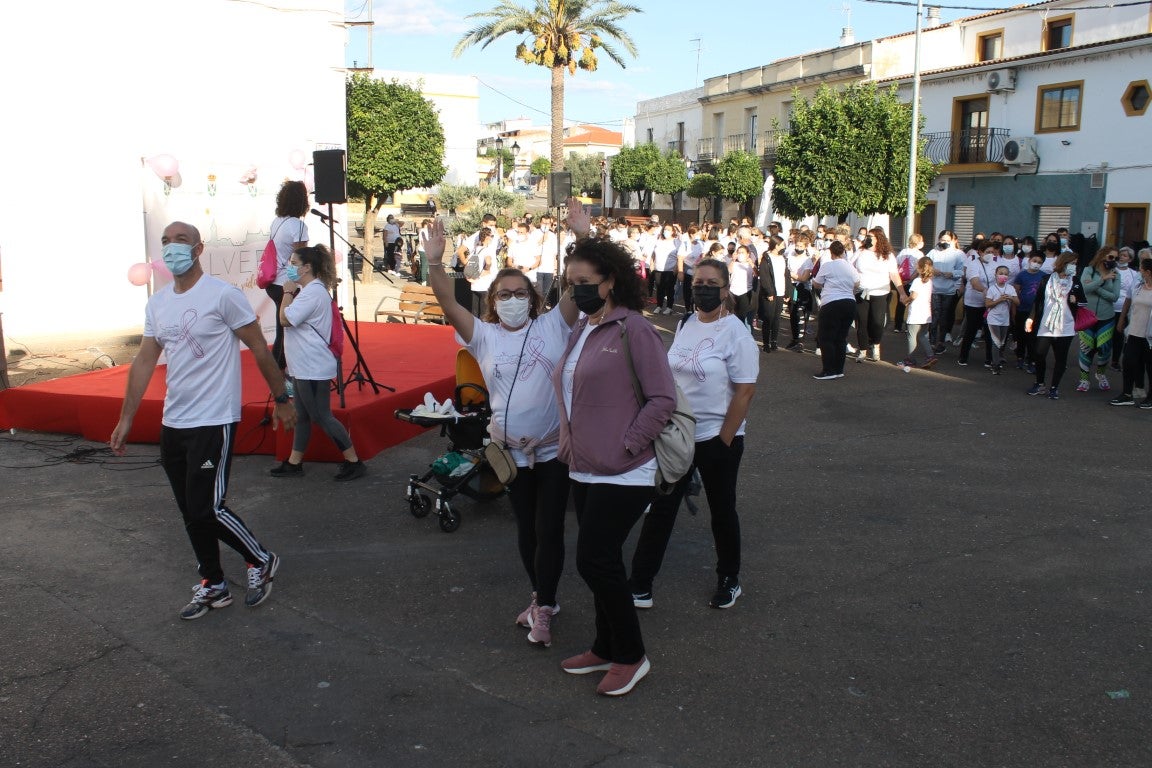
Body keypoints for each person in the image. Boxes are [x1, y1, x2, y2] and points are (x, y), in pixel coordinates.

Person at [110, 222, 294, 620]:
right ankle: (214, 583)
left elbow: (259, 347)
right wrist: (126, 418)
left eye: (181, 240)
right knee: (190, 510)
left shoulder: (222, 295)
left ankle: (260, 559)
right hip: (174, 421)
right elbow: (144, 360)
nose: (172, 247)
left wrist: (282, 398)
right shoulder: (158, 303)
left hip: (214, 418)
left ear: (198, 249)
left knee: (206, 508)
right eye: (166, 241)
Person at [426, 208, 580, 648]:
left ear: (533, 298)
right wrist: (435, 261)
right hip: (508, 452)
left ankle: (544, 606)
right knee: (526, 528)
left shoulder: (554, 325)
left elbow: (577, 286)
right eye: (504, 293)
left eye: (520, 292)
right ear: (493, 301)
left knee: (550, 528)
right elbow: (448, 302)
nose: (513, 299)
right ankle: (542, 595)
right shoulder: (483, 336)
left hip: (552, 449)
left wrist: (582, 238)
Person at [554, 236, 675, 697]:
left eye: (585, 282)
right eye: (571, 283)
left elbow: (662, 398)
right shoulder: (582, 328)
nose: (577, 290)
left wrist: (628, 444)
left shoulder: (634, 329)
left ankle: (630, 654)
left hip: (626, 469)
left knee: (594, 559)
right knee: (600, 561)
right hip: (584, 465)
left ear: (610, 281)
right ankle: (605, 646)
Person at [629, 258, 758, 610]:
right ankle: (640, 584)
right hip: (678, 436)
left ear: (726, 290)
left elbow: (745, 391)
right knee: (661, 508)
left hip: (718, 437)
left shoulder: (736, 333)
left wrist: (723, 442)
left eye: (711, 284)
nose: (703, 289)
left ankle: (729, 578)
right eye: (698, 282)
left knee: (722, 510)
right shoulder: (686, 323)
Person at [271, 245, 365, 481]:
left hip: (312, 367)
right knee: (303, 415)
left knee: (321, 415)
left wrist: (287, 293)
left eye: (294, 264)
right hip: (303, 366)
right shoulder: (311, 291)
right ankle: (295, 462)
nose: (290, 268)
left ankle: (353, 460)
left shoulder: (312, 293)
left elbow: (285, 319)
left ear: (306, 268)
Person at [1026, 252, 1085, 400]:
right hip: (1046, 323)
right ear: (1063, 263)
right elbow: (1038, 301)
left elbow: (1083, 302)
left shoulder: (1075, 281)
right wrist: (1031, 318)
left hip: (1066, 325)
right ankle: (1040, 383)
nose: (1074, 266)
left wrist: (1075, 300)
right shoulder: (1046, 279)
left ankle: (1054, 387)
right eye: (1072, 263)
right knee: (1039, 353)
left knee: (1061, 357)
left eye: (1076, 264)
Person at [266, 180, 309, 374]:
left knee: (282, 329)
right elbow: (302, 259)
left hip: (273, 282)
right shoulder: (298, 226)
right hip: (288, 285)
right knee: (289, 331)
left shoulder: (277, 222)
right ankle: (282, 372)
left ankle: (277, 370)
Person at [854, 228, 908, 362]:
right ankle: (862, 350)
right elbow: (849, 267)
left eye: (871, 236)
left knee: (877, 322)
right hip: (862, 292)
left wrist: (902, 292)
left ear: (878, 239)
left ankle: (875, 344)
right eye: (867, 236)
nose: (867, 238)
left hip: (880, 292)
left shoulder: (887, 255)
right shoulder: (860, 252)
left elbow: (894, 274)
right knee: (862, 322)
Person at [811, 240, 861, 380]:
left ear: (831, 253)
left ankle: (828, 370)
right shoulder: (850, 266)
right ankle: (839, 369)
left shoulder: (828, 266)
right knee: (841, 338)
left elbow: (817, 284)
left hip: (832, 303)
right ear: (843, 252)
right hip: (849, 302)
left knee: (826, 337)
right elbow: (857, 283)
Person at [1076, 246, 1121, 392]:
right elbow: (1084, 289)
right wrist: (1102, 280)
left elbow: (1114, 297)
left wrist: (1096, 286)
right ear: (1102, 256)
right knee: (1086, 347)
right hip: (1087, 316)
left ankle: (1100, 374)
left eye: (1116, 258)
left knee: (1104, 347)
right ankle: (1084, 379)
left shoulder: (1116, 274)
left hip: (1106, 316)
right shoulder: (1089, 270)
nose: (1113, 260)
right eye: (1111, 257)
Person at [1111, 256, 1152, 407]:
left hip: (1149, 336)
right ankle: (1127, 394)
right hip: (1134, 332)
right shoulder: (1138, 286)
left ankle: (1150, 398)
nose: (1139, 272)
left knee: (1150, 367)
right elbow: (1128, 301)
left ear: (1148, 272)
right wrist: (1122, 319)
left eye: (1141, 269)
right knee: (1128, 362)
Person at [959, 241, 999, 368]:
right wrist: (984, 290)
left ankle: (989, 359)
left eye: (992, 252)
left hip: (989, 303)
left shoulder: (995, 264)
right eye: (987, 252)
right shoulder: (973, 264)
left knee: (989, 331)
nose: (990, 254)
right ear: (980, 252)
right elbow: (975, 282)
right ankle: (963, 356)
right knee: (971, 329)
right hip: (974, 302)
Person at [897, 256, 938, 369]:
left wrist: (906, 301)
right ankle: (930, 356)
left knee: (912, 336)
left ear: (919, 268)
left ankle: (910, 359)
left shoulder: (916, 281)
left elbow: (913, 296)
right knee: (923, 335)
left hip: (915, 313)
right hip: (926, 313)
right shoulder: (930, 282)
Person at [927, 231, 964, 354]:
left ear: (953, 241)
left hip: (949, 290)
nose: (945, 242)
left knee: (944, 317)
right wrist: (932, 270)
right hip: (935, 289)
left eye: (948, 240)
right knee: (935, 316)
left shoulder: (958, 254)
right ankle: (931, 342)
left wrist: (952, 273)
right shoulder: (933, 252)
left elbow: (963, 271)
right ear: (939, 239)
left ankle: (941, 342)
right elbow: (924, 265)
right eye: (943, 240)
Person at [1011, 249, 1047, 373]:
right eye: (1034, 260)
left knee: (1033, 338)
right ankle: (1020, 357)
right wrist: (1014, 310)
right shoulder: (1021, 275)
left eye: (1039, 262)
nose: (1036, 263)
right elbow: (1015, 293)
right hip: (1022, 310)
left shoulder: (1044, 276)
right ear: (1029, 260)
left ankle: (1031, 360)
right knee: (1021, 336)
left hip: (1036, 312)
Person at [983, 265, 1019, 375]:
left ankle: (997, 359)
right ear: (996, 275)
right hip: (993, 319)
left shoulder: (1010, 288)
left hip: (1005, 319)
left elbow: (1018, 302)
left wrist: (1011, 298)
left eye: (1006, 274)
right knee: (996, 342)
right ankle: (995, 365)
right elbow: (987, 304)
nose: (1003, 276)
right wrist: (999, 300)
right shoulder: (992, 289)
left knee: (1002, 342)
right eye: (1001, 273)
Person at [757, 235, 789, 352]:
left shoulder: (782, 258)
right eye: (782, 245)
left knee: (776, 318)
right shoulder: (766, 258)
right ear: (776, 245)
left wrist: (787, 292)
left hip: (781, 291)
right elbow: (764, 276)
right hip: (770, 293)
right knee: (768, 318)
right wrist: (769, 292)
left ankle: (774, 341)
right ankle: (766, 343)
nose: (784, 247)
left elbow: (786, 275)